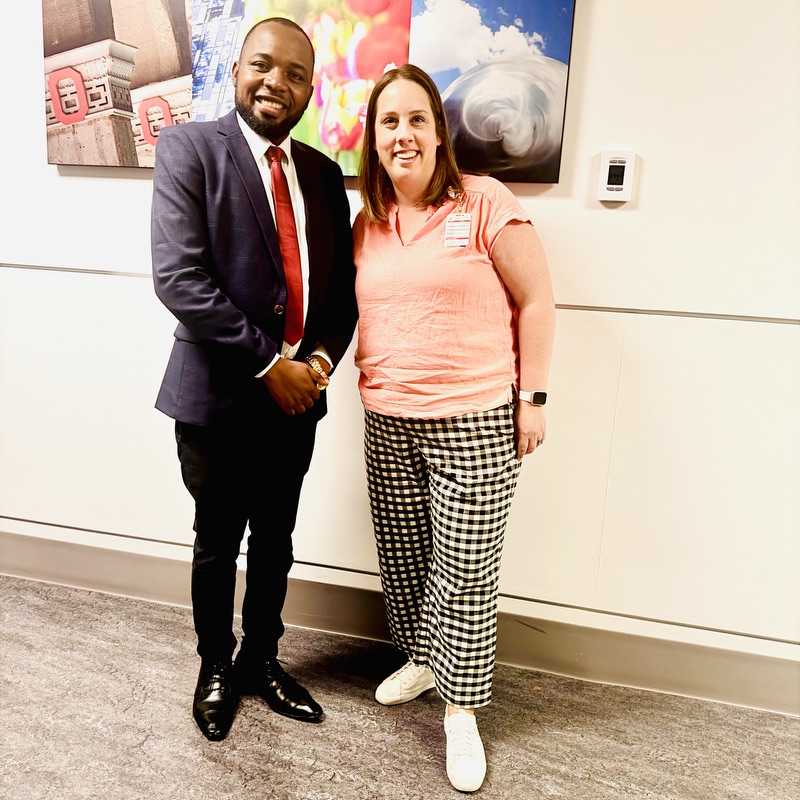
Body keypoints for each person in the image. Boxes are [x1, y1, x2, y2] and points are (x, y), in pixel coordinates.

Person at [151, 17, 357, 742]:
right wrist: (272, 366)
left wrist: (319, 367)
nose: (278, 82)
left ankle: (262, 659)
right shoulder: (187, 149)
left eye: (296, 73)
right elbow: (180, 280)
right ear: (237, 70)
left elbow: (340, 300)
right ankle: (215, 665)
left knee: (277, 540)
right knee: (217, 540)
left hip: (299, 402)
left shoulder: (327, 176)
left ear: (311, 89)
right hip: (218, 397)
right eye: (264, 66)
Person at [353, 64, 555, 792]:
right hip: (388, 421)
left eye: (416, 119)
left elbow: (537, 300)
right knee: (405, 566)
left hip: (474, 421)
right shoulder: (368, 222)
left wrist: (532, 398)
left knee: (465, 574)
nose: (402, 134)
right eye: (388, 122)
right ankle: (422, 660)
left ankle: (461, 711)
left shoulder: (485, 200)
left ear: (440, 131)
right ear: (372, 140)